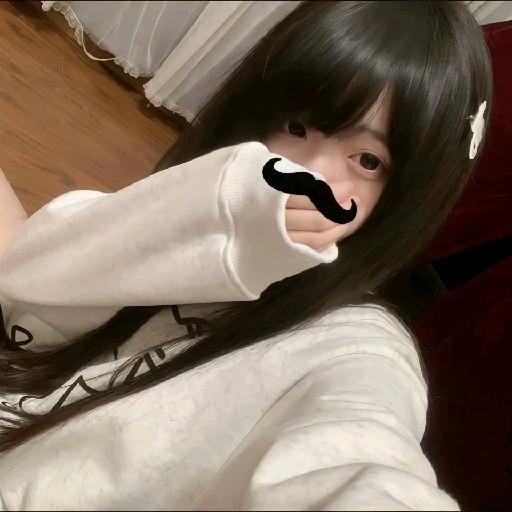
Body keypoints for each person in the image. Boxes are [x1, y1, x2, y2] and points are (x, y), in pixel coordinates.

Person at [0, 1, 492, 510]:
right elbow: (28, 272)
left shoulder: (358, 349)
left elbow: (359, 452)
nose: (308, 174)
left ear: (406, 197)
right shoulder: (204, 205)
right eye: (296, 127)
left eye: (367, 160)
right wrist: (212, 207)